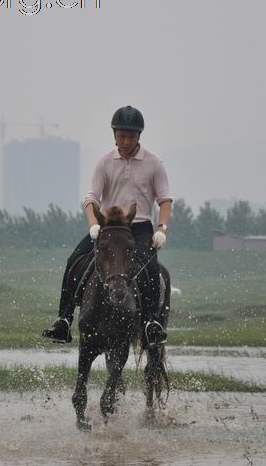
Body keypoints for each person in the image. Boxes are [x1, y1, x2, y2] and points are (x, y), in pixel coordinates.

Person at [42, 105, 173, 346]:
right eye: (121, 135)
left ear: (139, 137)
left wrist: (161, 229)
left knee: (151, 270)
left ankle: (150, 323)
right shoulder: (104, 162)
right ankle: (64, 320)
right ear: (114, 135)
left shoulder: (154, 163)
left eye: (131, 136)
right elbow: (92, 198)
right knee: (73, 261)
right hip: (109, 229)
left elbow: (164, 200)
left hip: (140, 227)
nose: (125, 141)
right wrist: (93, 224)